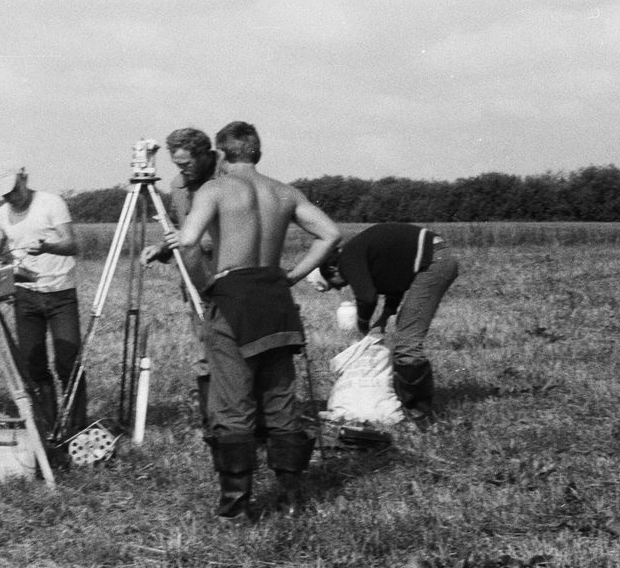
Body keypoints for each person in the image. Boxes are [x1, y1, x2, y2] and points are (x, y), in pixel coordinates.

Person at [166, 121, 341, 520]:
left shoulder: (214, 189)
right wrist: (293, 275)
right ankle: (292, 497)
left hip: (233, 297)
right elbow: (330, 234)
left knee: (232, 404)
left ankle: (236, 506)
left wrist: (204, 284)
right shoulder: (284, 191)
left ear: (222, 155)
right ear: (257, 154)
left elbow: (188, 241)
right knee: (280, 400)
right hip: (275, 297)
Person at [315, 222, 459, 427]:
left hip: (435, 262)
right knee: (405, 328)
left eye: (334, 284)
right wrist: (382, 320)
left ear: (332, 268)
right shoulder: (361, 255)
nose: (339, 288)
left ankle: (421, 416)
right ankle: (414, 406)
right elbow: (396, 285)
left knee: (408, 343)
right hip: (437, 256)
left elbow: (367, 298)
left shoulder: (347, 260)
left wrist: (363, 323)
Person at [0, 164, 87, 438]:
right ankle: (50, 427)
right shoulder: (0, 216)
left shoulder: (51, 203)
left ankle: (78, 428)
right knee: (34, 366)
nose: (12, 198)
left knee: (68, 363)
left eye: (15, 191)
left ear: (23, 179)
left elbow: (72, 245)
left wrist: (48, 247)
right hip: (25, 297)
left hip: (60, 294)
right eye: (6, 196)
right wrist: (5, 266)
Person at [139, 127, 217, 429]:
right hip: (196, 282)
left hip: (227, 279)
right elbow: (179, 231)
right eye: (177, 164)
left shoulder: (226, 183)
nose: (181, 170)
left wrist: (189, 238)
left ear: (204, 155)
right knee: (204, 351)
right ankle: (213, 421)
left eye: (186, 163)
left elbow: (233, 234)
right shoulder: (177, 186)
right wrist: (161, 248)